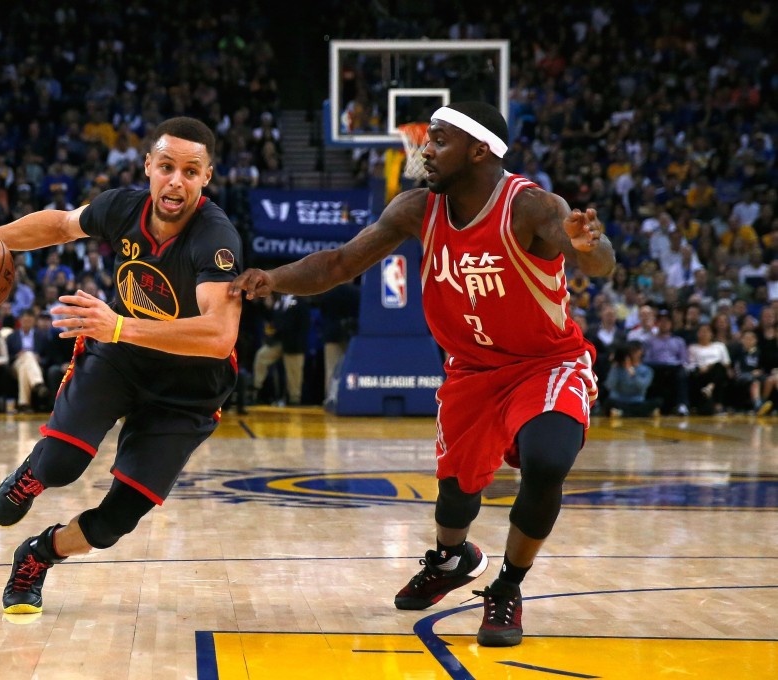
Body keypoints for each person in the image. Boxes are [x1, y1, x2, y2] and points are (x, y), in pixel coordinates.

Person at [228, 101, 614, 647]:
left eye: (437, 141)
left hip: (544, 363)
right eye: (426, 140)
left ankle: (507, 586)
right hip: (470, 371)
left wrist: (588, 247)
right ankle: (454, 558)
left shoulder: (528, 206)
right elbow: (340, 264)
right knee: (454, 496)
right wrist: (272, 278)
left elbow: (597, 259)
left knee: (548, 461)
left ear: (479, 150)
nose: (424, 150)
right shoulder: (416, 209)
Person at [0, 118, 242, 615]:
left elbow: (219, 336)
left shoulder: (215, 239)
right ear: (149, 167)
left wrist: (119, 326)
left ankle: (37, 555)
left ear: (206, 178)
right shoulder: (122, 207)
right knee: (62, 464)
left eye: (190, 171)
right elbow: (60, 224)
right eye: (167, 167)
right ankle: (32, 474)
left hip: (189, 386)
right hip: (120, 359)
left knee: (117, 520)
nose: (176, 180)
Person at [604, 341, 661, 417]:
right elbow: (609, 386)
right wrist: (614, 368)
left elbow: (642, 387)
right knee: (608, 403)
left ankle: (622, 413)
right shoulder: (617, 368)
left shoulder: (647, 370)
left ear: (641, 352)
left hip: (636, 401)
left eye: (635, 351)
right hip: (618, 400)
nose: (633, 354)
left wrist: (633, 374)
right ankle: (641, 413)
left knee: (657, 402)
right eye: (631, 352)